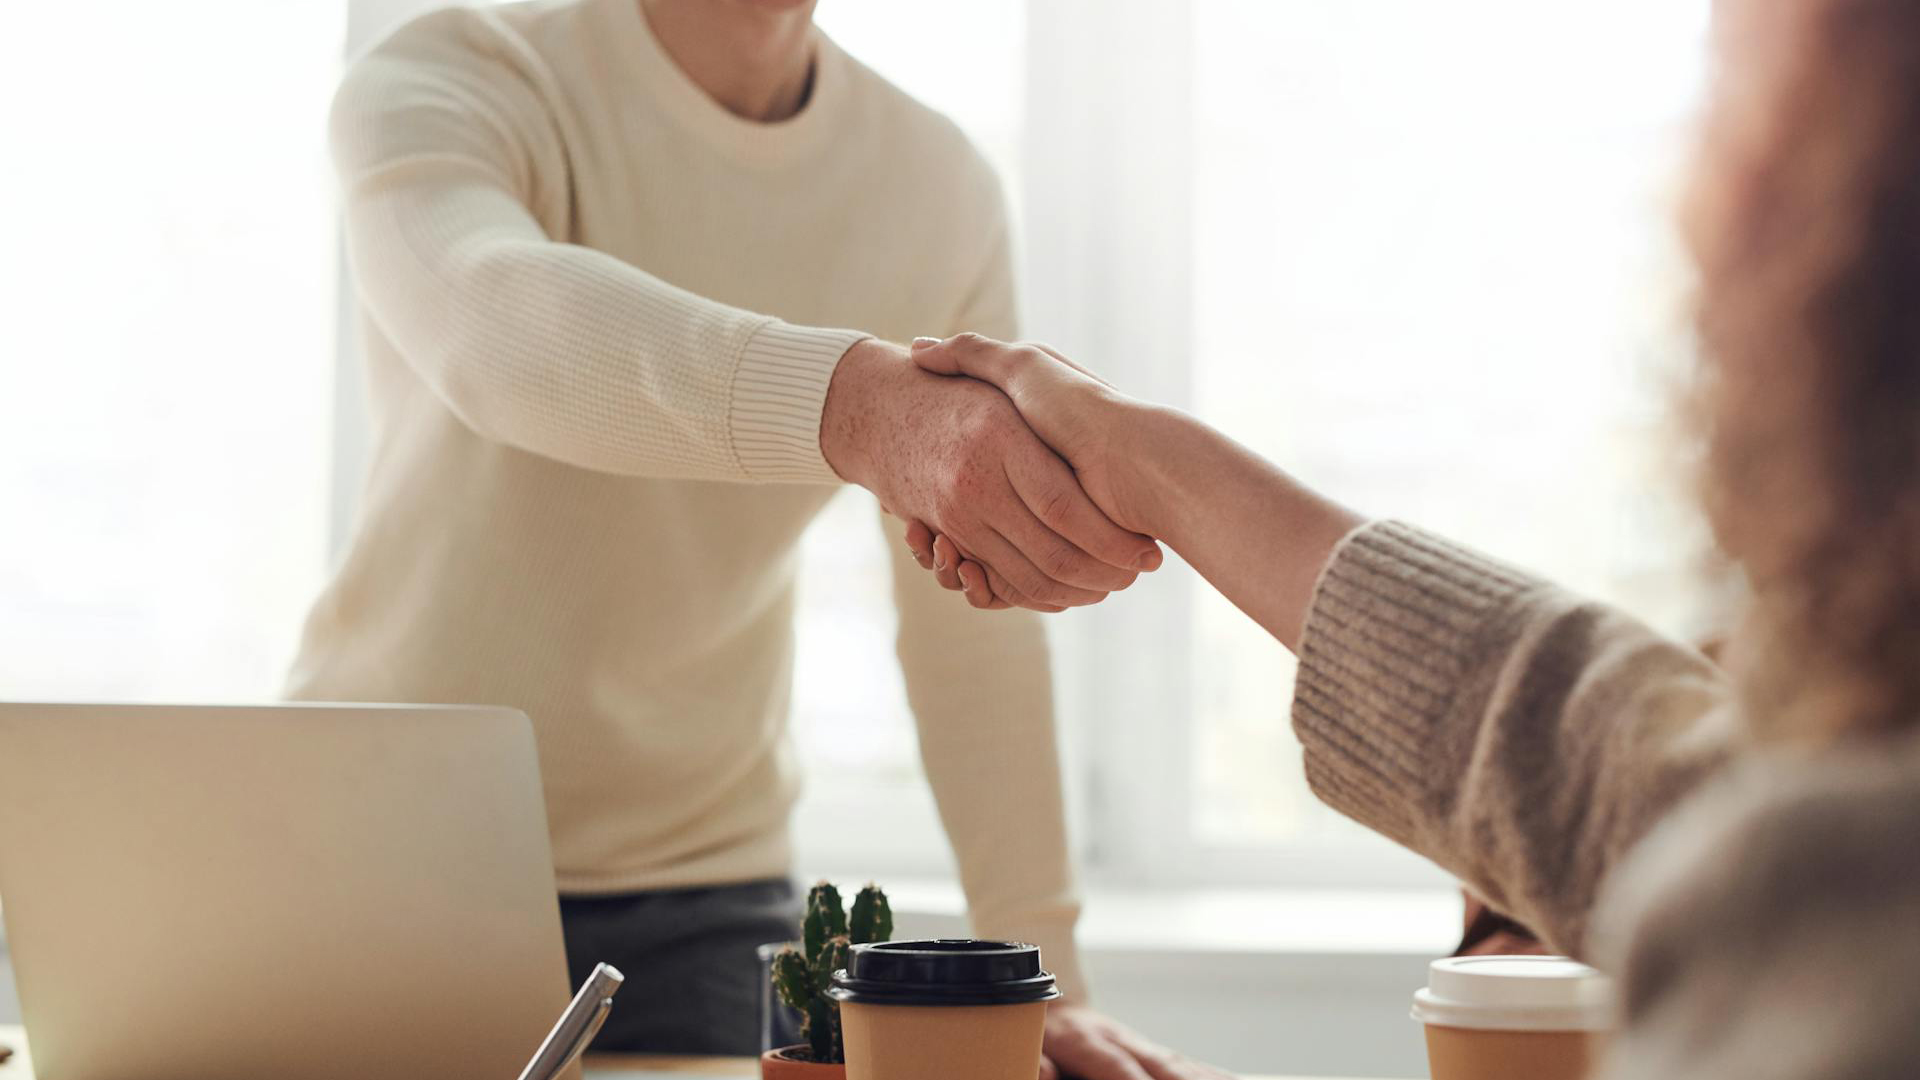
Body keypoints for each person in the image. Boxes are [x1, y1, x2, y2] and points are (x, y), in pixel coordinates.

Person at [900, 0, 1920, 1075]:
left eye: (1741, 95)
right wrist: (1155, 466)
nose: (1694, 197)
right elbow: (1636, 776)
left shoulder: (1845, 916)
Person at [291, 1, 1218, 1075]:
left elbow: (972, 621)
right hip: (376, 859)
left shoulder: (932, 186)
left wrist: (1042, 974)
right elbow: (493, 326)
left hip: (701, 902)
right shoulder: (462, 67)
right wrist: (857, 408)